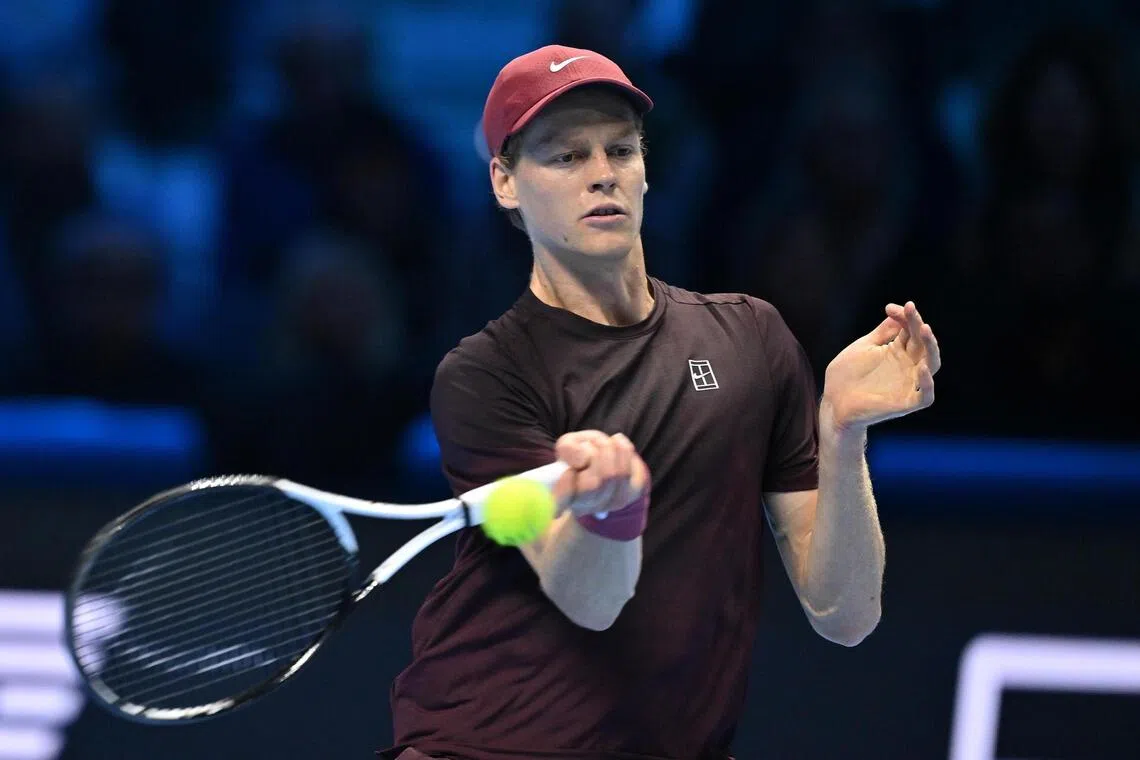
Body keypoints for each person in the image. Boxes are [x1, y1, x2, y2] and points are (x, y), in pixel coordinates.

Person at [380, 45, 941, 760]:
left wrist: (842, 431)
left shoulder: (752, 340)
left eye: (620, 149)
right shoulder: (486, 376)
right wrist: (613, 513)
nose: (602, 173)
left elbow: (845, 614)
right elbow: (590, 598)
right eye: (566, 156)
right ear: (505, 182)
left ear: (646, 170)